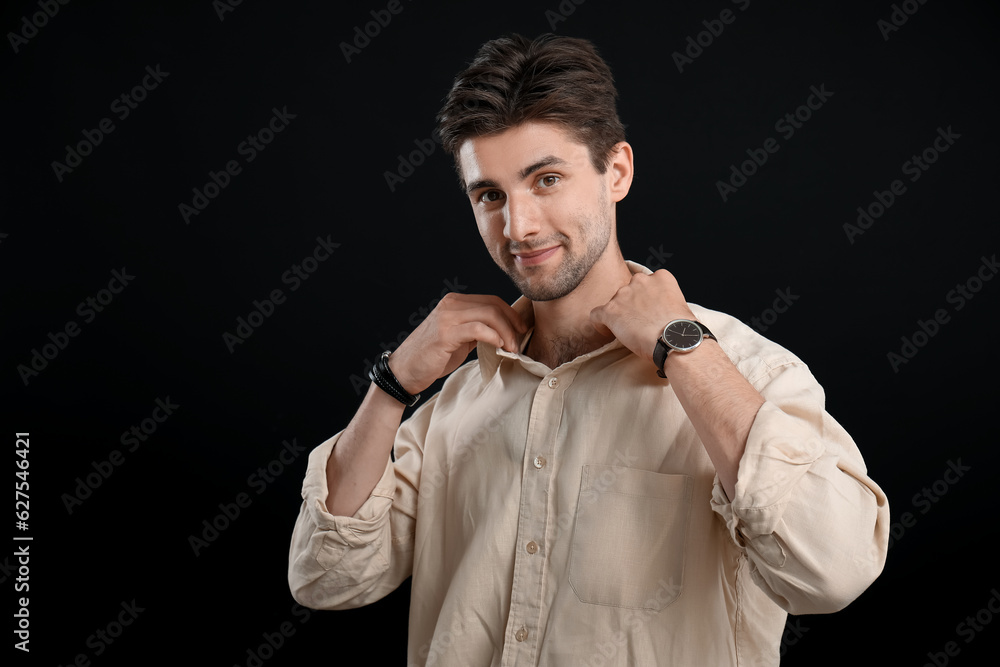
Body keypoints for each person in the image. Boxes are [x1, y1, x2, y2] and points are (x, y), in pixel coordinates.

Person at [288, 33, 889, 666]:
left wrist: (683, 348)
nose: (517, 227)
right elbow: (327, 579)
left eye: (545, 179)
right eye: (489, 194)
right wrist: (393, 386)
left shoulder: (748, 370)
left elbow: (832, 572)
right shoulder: (459, 398)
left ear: (617, 172)